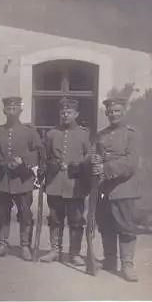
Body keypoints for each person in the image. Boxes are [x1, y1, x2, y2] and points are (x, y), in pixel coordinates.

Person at [0, 97, 42, 261]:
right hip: (1, 179)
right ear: (4, 111)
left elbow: (39, 153)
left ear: (20, 111)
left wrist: (24, 160)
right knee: (2, 213)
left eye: (14, 109)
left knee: (25, 213)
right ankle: (2, 243)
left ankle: (25, 245)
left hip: (22, 180)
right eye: (8, 109)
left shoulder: (29, 131)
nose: (11, 112)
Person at [91, 97, 140, 282]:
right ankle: (110, 260)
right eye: (110, 112)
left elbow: (131, 163)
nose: (113, 114)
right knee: (105, 224)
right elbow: (93, 153)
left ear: (123, 111)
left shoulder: (132, 134)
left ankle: (127, 265)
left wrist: (105, 168)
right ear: (107, 113)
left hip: (124, 188)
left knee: (126, 227)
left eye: (117, 111)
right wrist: (93, 161)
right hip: (104, 188)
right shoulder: (101, 135)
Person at [39, 97, 91, 265]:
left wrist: (80, 166)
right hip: (55, 183)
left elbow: (89, 158)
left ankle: (74, 253)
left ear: (76, 114)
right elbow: (44, 157)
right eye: (63, 112)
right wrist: (46, 168)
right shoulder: (52, 134)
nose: (65, 115)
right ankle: (55, 250)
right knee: (55, 217)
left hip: (75, 184)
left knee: (76, 220)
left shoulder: (84, 134)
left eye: (69, 112)